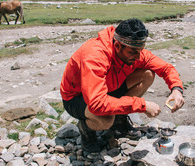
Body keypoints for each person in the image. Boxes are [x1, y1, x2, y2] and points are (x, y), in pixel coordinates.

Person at [60, 18, 185, 152]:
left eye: (140, 50)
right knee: (106, 119)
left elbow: (166, 68)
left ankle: (119, 120)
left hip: (107, 88)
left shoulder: (134, 49)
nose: (138, 57)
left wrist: (176, 89)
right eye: (133, 52)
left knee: (147, 74)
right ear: (118, 45)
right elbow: (96, 103)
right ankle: (86, 129)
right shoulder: (95, 55)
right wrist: (141, 105)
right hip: (77, 98)